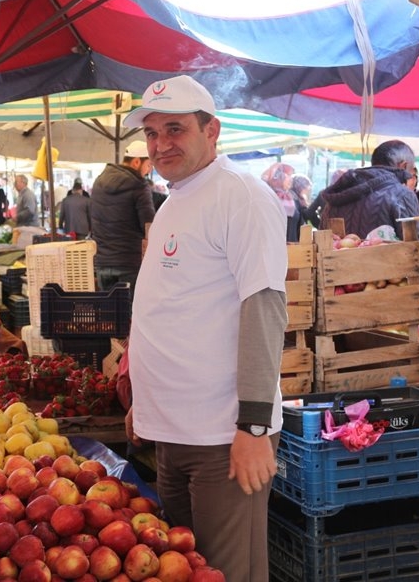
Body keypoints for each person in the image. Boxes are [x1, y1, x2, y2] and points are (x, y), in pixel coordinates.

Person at [123, 75, 287, 582]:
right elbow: (170, 307)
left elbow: (264, 307)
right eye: (151, 133)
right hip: (172, 432)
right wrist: (143, 403)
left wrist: (253, 427)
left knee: (227, 571)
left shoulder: (241, 195)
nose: (160, 144)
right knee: (188, 571)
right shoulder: (174, 200)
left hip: (223, 435)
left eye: (175, 129)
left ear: (211, 130)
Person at [320, 140, 419, 249]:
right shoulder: (402, 195)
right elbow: (418, 250)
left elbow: (321, 244)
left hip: (335, 260)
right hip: (386, 260)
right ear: (403, 166)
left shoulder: (337, 195)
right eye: (410, 173)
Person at [90, 139, 155, 295]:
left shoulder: (99, 182)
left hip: (102, 262)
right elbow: (148, 225)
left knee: (109, 309)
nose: (149, 170)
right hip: (128, 262)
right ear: (136, 162)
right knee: (130, 309)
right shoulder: (139, 185)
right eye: (148, 165)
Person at [262, 163, 306, 242]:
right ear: (278, 177)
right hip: (273, 246)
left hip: (294, 247)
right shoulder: (267, 198)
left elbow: (300, 225)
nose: (291, 179)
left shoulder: (292, 198)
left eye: (291, 176)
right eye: (287, 175)